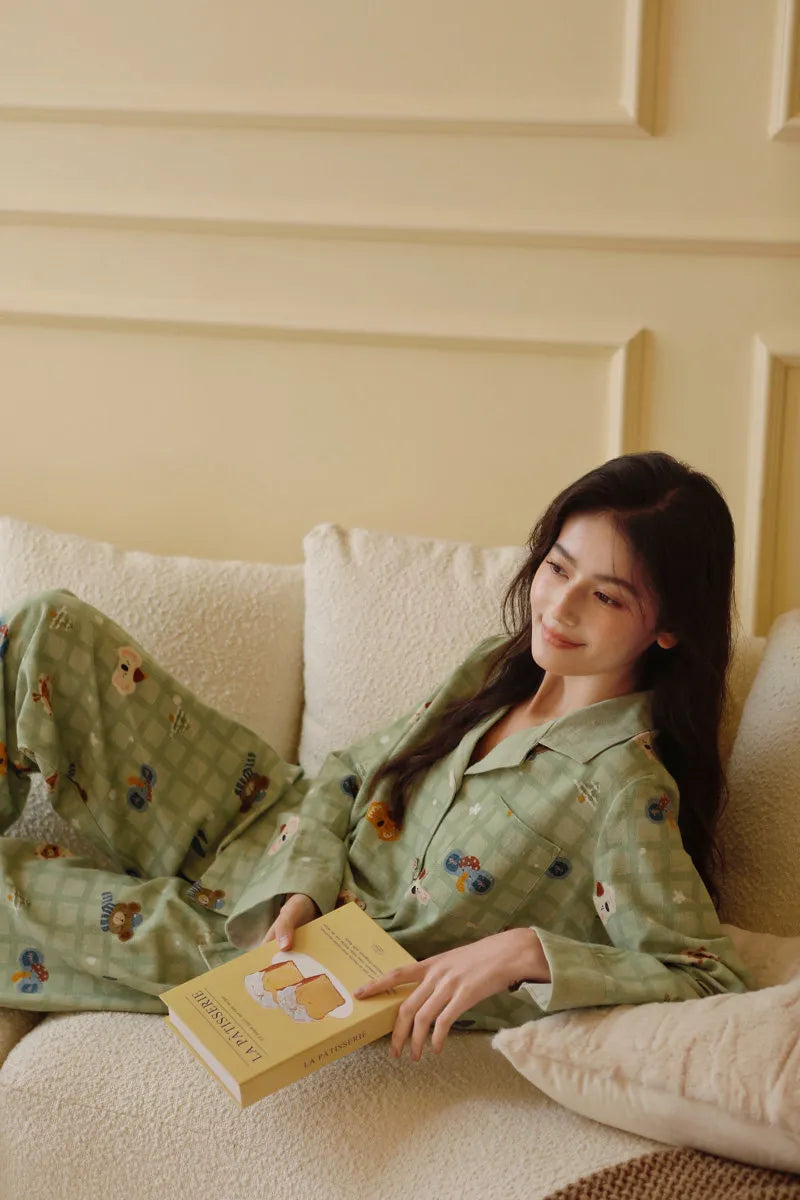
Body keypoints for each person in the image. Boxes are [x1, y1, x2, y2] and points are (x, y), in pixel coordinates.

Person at [0, 451, 752, 1062]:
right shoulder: (500, 666)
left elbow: (706, 976)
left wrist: (527, 952)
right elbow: (350, 772)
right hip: (267, 818)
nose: (558, 607)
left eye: (608, 597)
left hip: (280, 954)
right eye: (558, 569)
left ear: (669, 627)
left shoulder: (624, 785)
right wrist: (301, 884)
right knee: (45, 629)